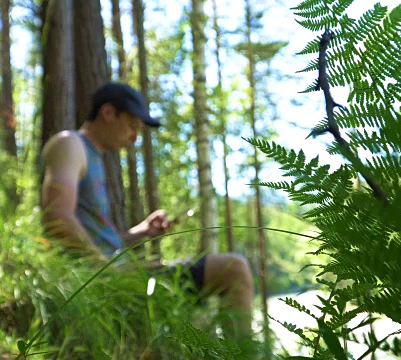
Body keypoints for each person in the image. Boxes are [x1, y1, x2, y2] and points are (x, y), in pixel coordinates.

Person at [40, 82, 253, 339]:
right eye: (132, 125)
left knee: (231, 270)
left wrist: (141, 232)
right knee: (233, 269)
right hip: (108, 280)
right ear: (108, 113)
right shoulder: (70, 144)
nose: (134, 137)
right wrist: (107, 269)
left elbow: (98, 237)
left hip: (119, 272)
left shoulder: (94, 158)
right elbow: (57, 217)